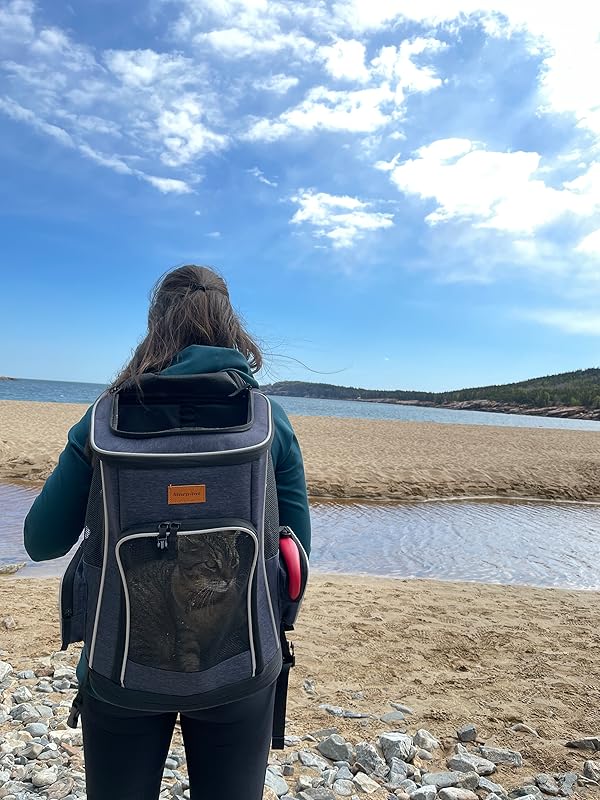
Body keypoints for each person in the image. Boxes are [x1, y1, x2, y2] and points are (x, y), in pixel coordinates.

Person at [23, 264, 311, 800]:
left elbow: (40, 543)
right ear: (231, 326)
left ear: (156, 325)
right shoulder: (268, 422)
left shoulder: (103, 421)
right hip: (241, 665)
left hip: (120, 665)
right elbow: (295, 560)